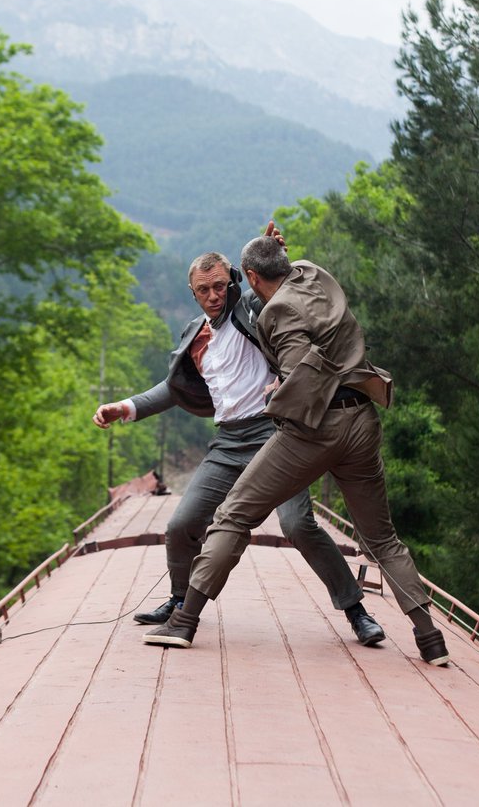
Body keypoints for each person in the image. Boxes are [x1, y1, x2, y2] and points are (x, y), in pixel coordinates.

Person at [143, 236, 450, 666]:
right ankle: (430, 638)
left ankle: (184, 622)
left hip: (316, 429)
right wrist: (269, 247)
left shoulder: (275, 315)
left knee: (234, 515)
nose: (214, 295)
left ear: (246, 278)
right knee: (382, 538)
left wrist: (279, 389)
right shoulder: (313, 274)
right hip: (362, 420)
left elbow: (301, 372)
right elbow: (279, 280)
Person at [92, 226, 386, 647]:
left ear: (232, 282)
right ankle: (179, 603)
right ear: (193, 294)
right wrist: (126, 407)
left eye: (218, 285)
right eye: (203, 290)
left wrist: (273, 252)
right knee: (182, 524)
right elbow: (172, 388)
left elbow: (274, 286)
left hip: (277, 435)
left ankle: (356, 610)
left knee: (297, 523)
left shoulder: (252, 310)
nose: (213, 295)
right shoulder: (196, 337)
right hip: (228, 443)